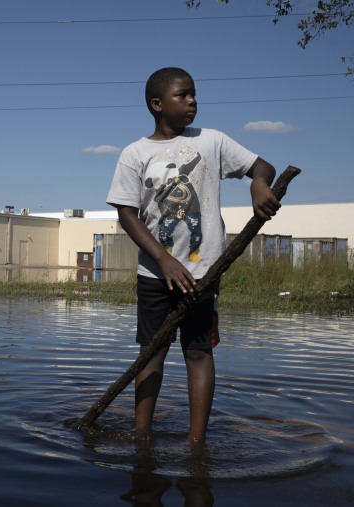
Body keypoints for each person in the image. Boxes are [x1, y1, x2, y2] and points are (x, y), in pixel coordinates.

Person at [105, 67, 280, 444]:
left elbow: (261, 165)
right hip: (155, 273)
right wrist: (164, 259)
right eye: (183, 95)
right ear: (157, 104)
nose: (192, 101)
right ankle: (140, 436)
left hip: (204, 272)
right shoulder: (135, 153)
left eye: (194, 94)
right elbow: (126, 214)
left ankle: (197, 444)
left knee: (199, 352)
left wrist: (259, 183)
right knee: (151, 354)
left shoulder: (212, 141)